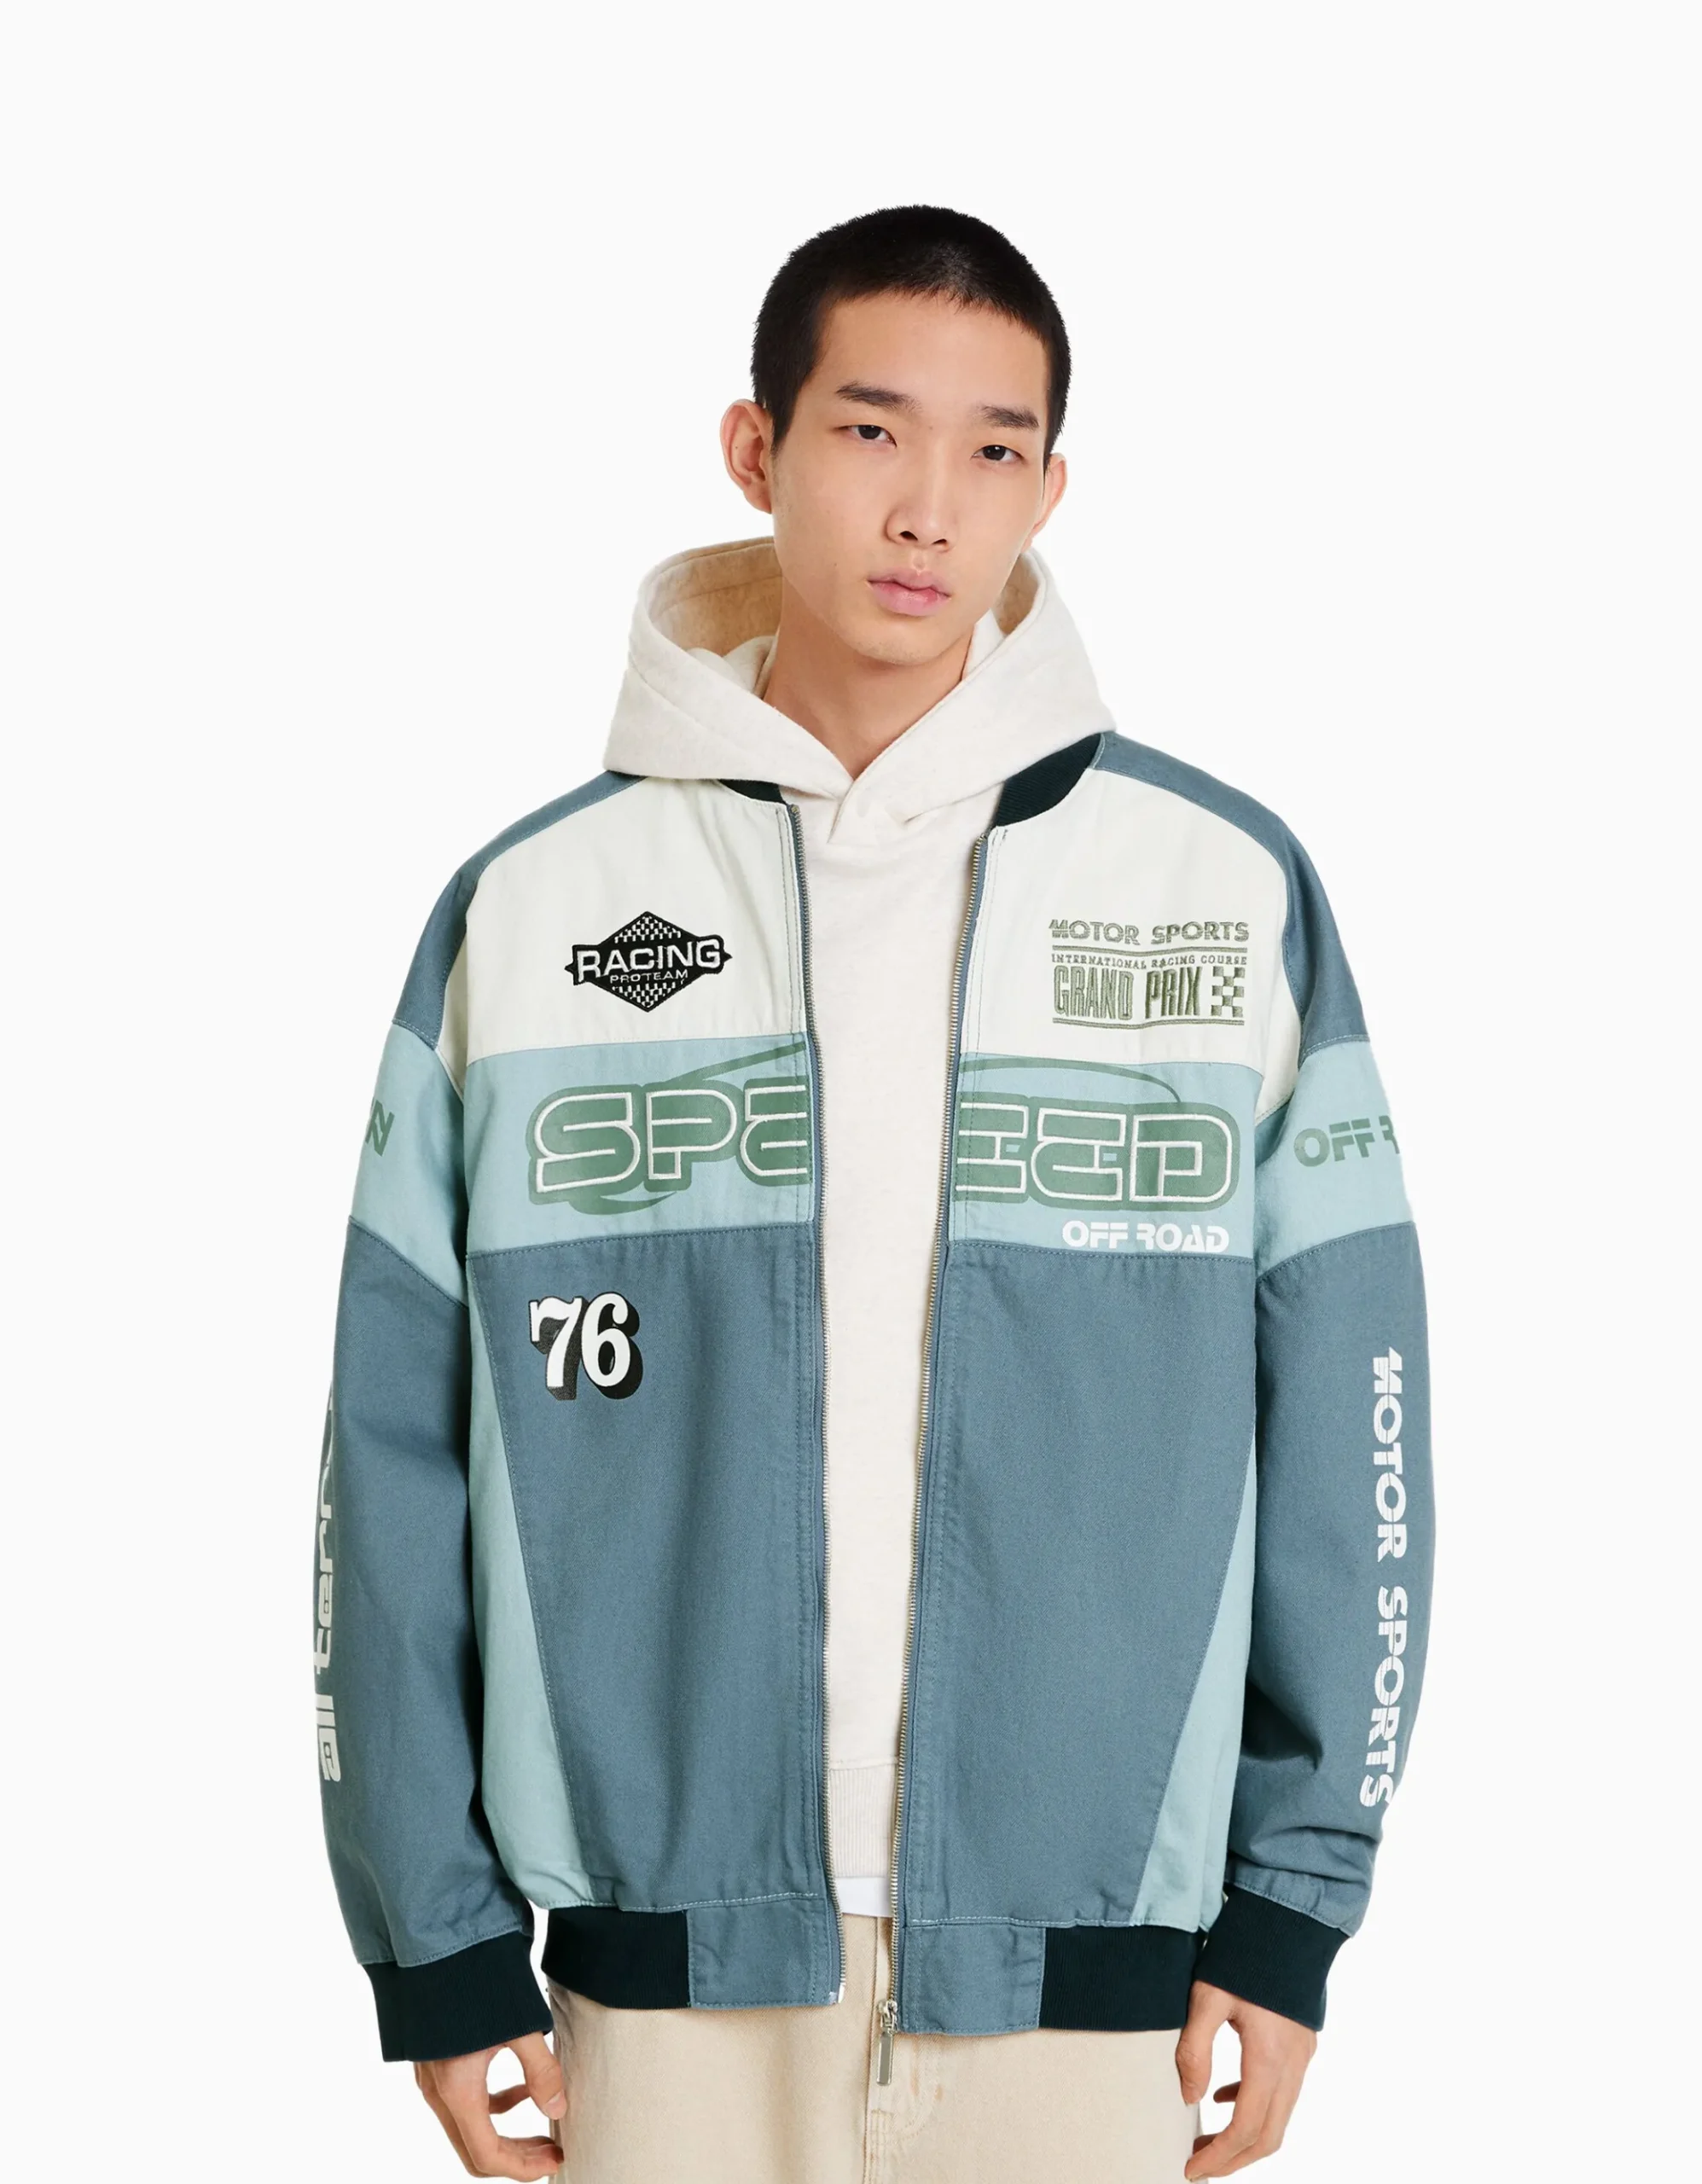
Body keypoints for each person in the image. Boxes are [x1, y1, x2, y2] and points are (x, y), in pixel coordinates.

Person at [313, 205, 1432, 2182]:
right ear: (754, 449)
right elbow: (391, 1448)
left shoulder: (1217, 891)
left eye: (994, 448)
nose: (929, 506)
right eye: (869, 430)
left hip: (1091, 1978)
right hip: (656, 1992)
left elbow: (1356, 1422)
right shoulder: (534, 910)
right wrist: (441, 1937)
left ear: (1048, 490)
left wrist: (1288, 1901)